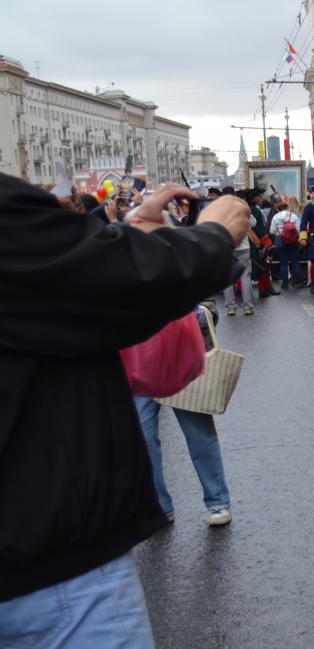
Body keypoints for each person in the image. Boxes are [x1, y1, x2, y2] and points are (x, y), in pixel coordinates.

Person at [0, 174, 249, 647]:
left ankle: (214, 501)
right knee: (159, 430)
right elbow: (108, 279)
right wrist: (213, 235)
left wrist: (131, 227)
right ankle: (177, 504)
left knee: (191, 431)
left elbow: (53, 272)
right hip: (43, 565)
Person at [134, 302, 232, 526]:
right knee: (143, 439)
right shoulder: (123, 267)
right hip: (140, 364)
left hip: (180, 357)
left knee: (199, 435)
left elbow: (207, 300)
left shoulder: (182, 265)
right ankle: (159, 506)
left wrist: (197, 310)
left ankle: (217, 501)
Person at [269, 200, 303, 289]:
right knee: (295, 262)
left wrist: (279, 230)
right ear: (287, 207)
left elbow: (272, 231)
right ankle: (299, 282)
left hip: (279, 240)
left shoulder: (276, 217)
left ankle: (285, 283)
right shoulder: (293, 216)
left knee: (283, 263)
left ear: (278, 209)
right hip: (293, 240)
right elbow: (299, 230)